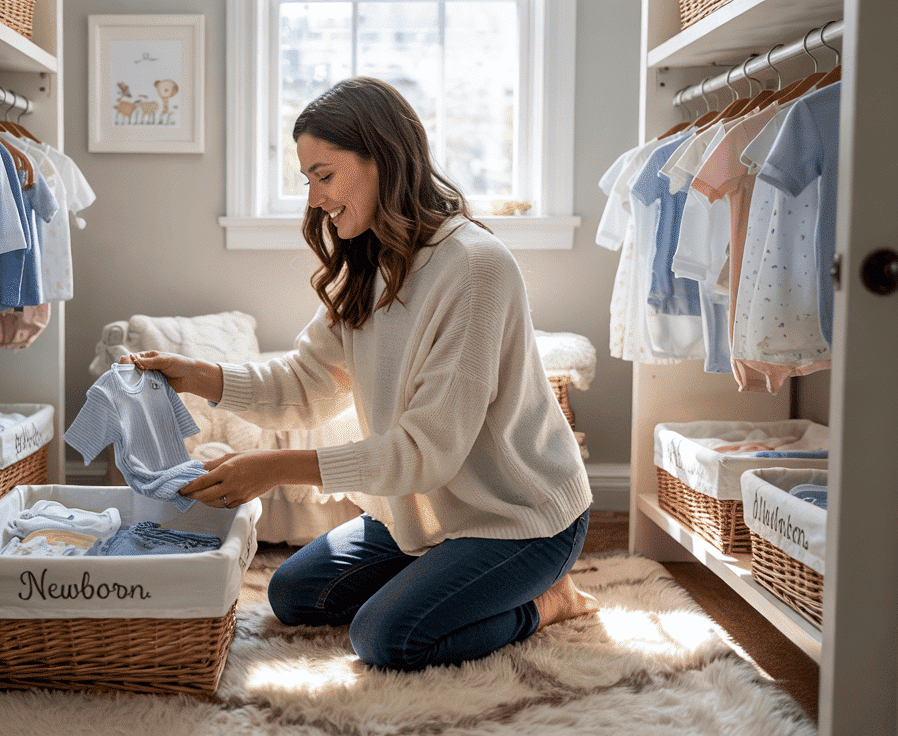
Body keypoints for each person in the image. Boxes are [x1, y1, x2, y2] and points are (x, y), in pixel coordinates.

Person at [122, 77, 597, 671]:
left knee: (387, 638)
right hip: (428, 513)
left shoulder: (476, 269)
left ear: (385, 159)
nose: (316, 198)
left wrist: (271, 469)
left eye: (326, 175)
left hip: (516, 518)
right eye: (308, 181)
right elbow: (305, 383)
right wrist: (200, 376)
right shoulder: (370, 260)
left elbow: (426, 452)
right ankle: (446, 577)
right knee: (294, 595)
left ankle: (543, 601)